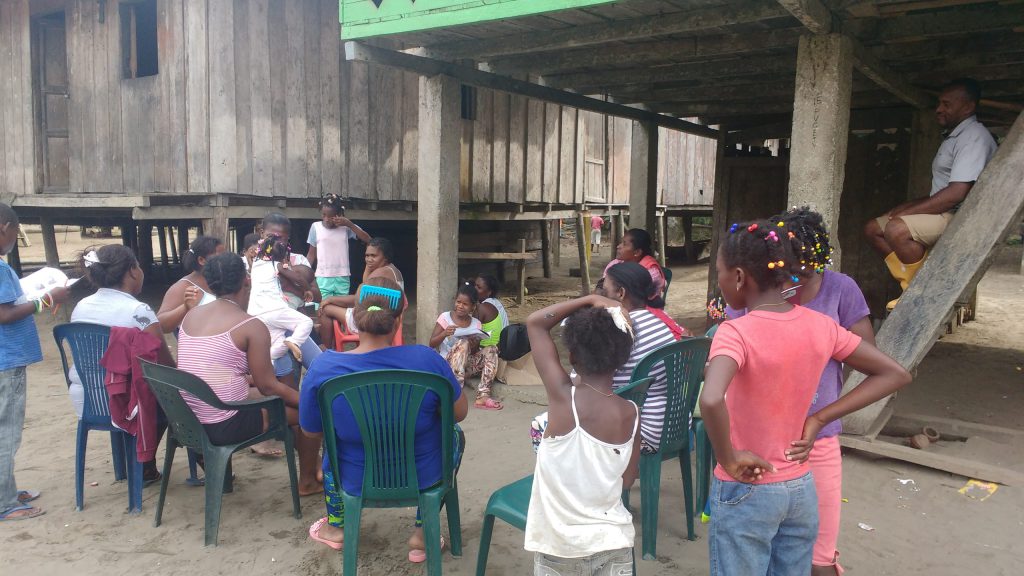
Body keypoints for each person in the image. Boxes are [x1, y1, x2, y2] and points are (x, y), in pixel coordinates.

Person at [700, 219, 911, 575]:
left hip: (747, 485)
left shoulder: (734, 332)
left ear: (738, 277)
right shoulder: (821, 327)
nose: (719, 283)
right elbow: (895, 373)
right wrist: (819, 418)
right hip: (799, 488)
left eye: (718, 273)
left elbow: (710, 399)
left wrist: (730, 457)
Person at [729, 209, 876, 575]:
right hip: (759, 443)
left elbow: (870, 358)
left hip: (819, 440)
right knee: (756, 549)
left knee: (818, 557)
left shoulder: (840, 290)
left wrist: (820, 412)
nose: (799, 281)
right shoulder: (757, 297)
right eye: (792, 271)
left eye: (809, 271)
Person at [299, 277, 468, 562]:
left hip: (354, 478)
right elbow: (459, 413)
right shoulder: (427, 360)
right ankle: (422, 531)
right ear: (399, 318)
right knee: (454, 435)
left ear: (354, 318)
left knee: (331, 442)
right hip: (423, 476)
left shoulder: (324, 367)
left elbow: (310, 431)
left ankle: (336, 527)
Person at [177, 252, 321, 496]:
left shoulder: (190, 316)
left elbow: (211, 368)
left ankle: (312, 468)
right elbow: (269, 387)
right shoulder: (249, 325)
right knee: (305, 411)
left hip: (189, 416)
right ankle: (308, 479)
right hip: (224, 423)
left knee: (285, 400)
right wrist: (313, 402)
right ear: (247, 280)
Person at [524, 295, 640, 574]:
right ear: (622, 359)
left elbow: (535, 324)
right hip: (615, 543)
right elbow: (626, 481)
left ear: (572, 356)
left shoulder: (565, 399)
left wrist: (590, 298)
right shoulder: (631, 413)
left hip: (561, 549)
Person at [863, 78, 997, 310]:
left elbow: (956, 194)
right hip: (944, 212)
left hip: (961, 217)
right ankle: (913, 283)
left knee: (897, 229)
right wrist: (905, 208)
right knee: (874, 229)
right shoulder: (955, 136)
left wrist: (903, 216)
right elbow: (942, 191)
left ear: (968, 107)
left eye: (946, 104)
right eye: (939, 103)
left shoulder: (974, 137)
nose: (939, 109)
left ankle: (919, 293)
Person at [68, 244, 177, 482]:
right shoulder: (138, 311)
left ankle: (138, 465)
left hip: (87, 399)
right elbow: (166, 365)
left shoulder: (81, 306)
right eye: (138, 265)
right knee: (174, 396)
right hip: (123, 403)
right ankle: (147, 464)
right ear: (132, 271)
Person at [0, 203, 71, 521]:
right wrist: (48, 299)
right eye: (15, 231)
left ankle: (7, 490)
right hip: (6, 361)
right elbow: (5, 314)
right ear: (5, 227)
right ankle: (5, 503)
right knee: (6, 432)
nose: (14, 236)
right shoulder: (1, 268)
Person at [603, 262, 676, 453]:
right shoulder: (658, 323)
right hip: (672, 427)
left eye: (604, 292)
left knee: (543, 426)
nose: (600, 298)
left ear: (620, 293)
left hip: (640, 435)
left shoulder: (620, 327)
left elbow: (585, 381)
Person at [259, 213, 322, 379]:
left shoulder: (298, 261)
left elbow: (317, 296)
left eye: (282, 240)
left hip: (292, 324)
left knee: (291, 368)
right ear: (261, 233)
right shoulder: (250, 261)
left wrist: (294, 282)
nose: (276, 243)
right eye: (271, 236)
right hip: (264, 327)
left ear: (288, 240)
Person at [318, 237, 404, 348]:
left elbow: (358, 299)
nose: (369, 259)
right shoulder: (393, 270)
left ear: (386, 257)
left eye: (374, 256)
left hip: (374, 319)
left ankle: (326, 350)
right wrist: (368, 267)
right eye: (367, 256)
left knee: (325, 309)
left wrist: (330, 299)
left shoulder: (380, 272)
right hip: (387, 317)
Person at [429, 284, 499, 409]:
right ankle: (455, 394)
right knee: (463, 343)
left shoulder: (476, 324)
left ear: (473, 307)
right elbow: (432, 343)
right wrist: (444, 333)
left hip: (466, 366)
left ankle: (483, 395)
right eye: (458, 302)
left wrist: (474, 344)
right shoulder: (445, 317)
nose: (460, 306)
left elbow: (474, 352)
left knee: (492, 349)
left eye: (465, 304)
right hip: (447, 363)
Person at [248, 234, 315, 363]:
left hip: (256, 314)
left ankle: (267, 362)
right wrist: (307, 289)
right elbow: (298, 278)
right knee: (306, 322)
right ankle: (293, 341)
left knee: (279, 343)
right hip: (275, 309)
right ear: (283, 256)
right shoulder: (276, 265)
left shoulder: (255, 264)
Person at [306, 193, 371, 302]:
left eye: (330, 216)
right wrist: (305, 274)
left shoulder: (346, 228)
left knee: (341, 308)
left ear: (339, 214)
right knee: (322, 308)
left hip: (343, 276)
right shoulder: (315, 227)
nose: (326, 219)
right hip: (323, 277)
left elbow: (368, 239)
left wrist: (350, 224)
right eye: (323, 215)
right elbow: (311, 254)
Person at [156, 235, 225, 334]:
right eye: (220, 257)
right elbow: (161, 325)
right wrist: (184, 307)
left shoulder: (224, 281)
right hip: (198, 347)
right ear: (201, 260)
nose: (225, 260)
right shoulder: (183, 287)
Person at [602, 228, 666, 307]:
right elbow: (603, 286)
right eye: (621, 242)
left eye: (624, 244)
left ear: (637, 252)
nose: (618, 246)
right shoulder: (615, 263)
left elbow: (642, 301)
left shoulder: (651, 272)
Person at [471, 275, 507, 410]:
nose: (474, 289)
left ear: (489, 292)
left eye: (479, 287)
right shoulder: (496, 303)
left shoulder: (483, 307)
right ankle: (482, 396)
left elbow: (474, 344)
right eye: (474, 285)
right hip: (497, 353)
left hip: (488, 353)